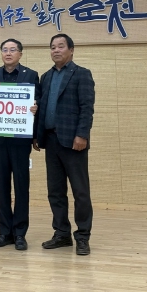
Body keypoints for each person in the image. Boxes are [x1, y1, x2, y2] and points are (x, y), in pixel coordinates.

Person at [34, 33, 95, 256]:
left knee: (80, 191)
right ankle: (61, 234)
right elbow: (41, 108)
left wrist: (82, 135)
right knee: (55, 191)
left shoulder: (82, 74)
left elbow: (87, 108)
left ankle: (83, 236)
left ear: (71, 50)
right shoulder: (46, 77)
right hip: (51, 141)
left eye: (60, 46)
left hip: (73, 141)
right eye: (53, 47)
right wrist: (37, 135)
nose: (56, 50)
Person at [0, 39, 40, 251]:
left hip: (21, 140)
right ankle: (4, 232)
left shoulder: (31, 75)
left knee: (21, 184)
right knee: (2, 185)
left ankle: (20, 233)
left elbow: (38, 102)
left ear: (20, 54)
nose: (8, 53)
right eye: (4, 50)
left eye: (12, 50)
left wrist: (35, 109)